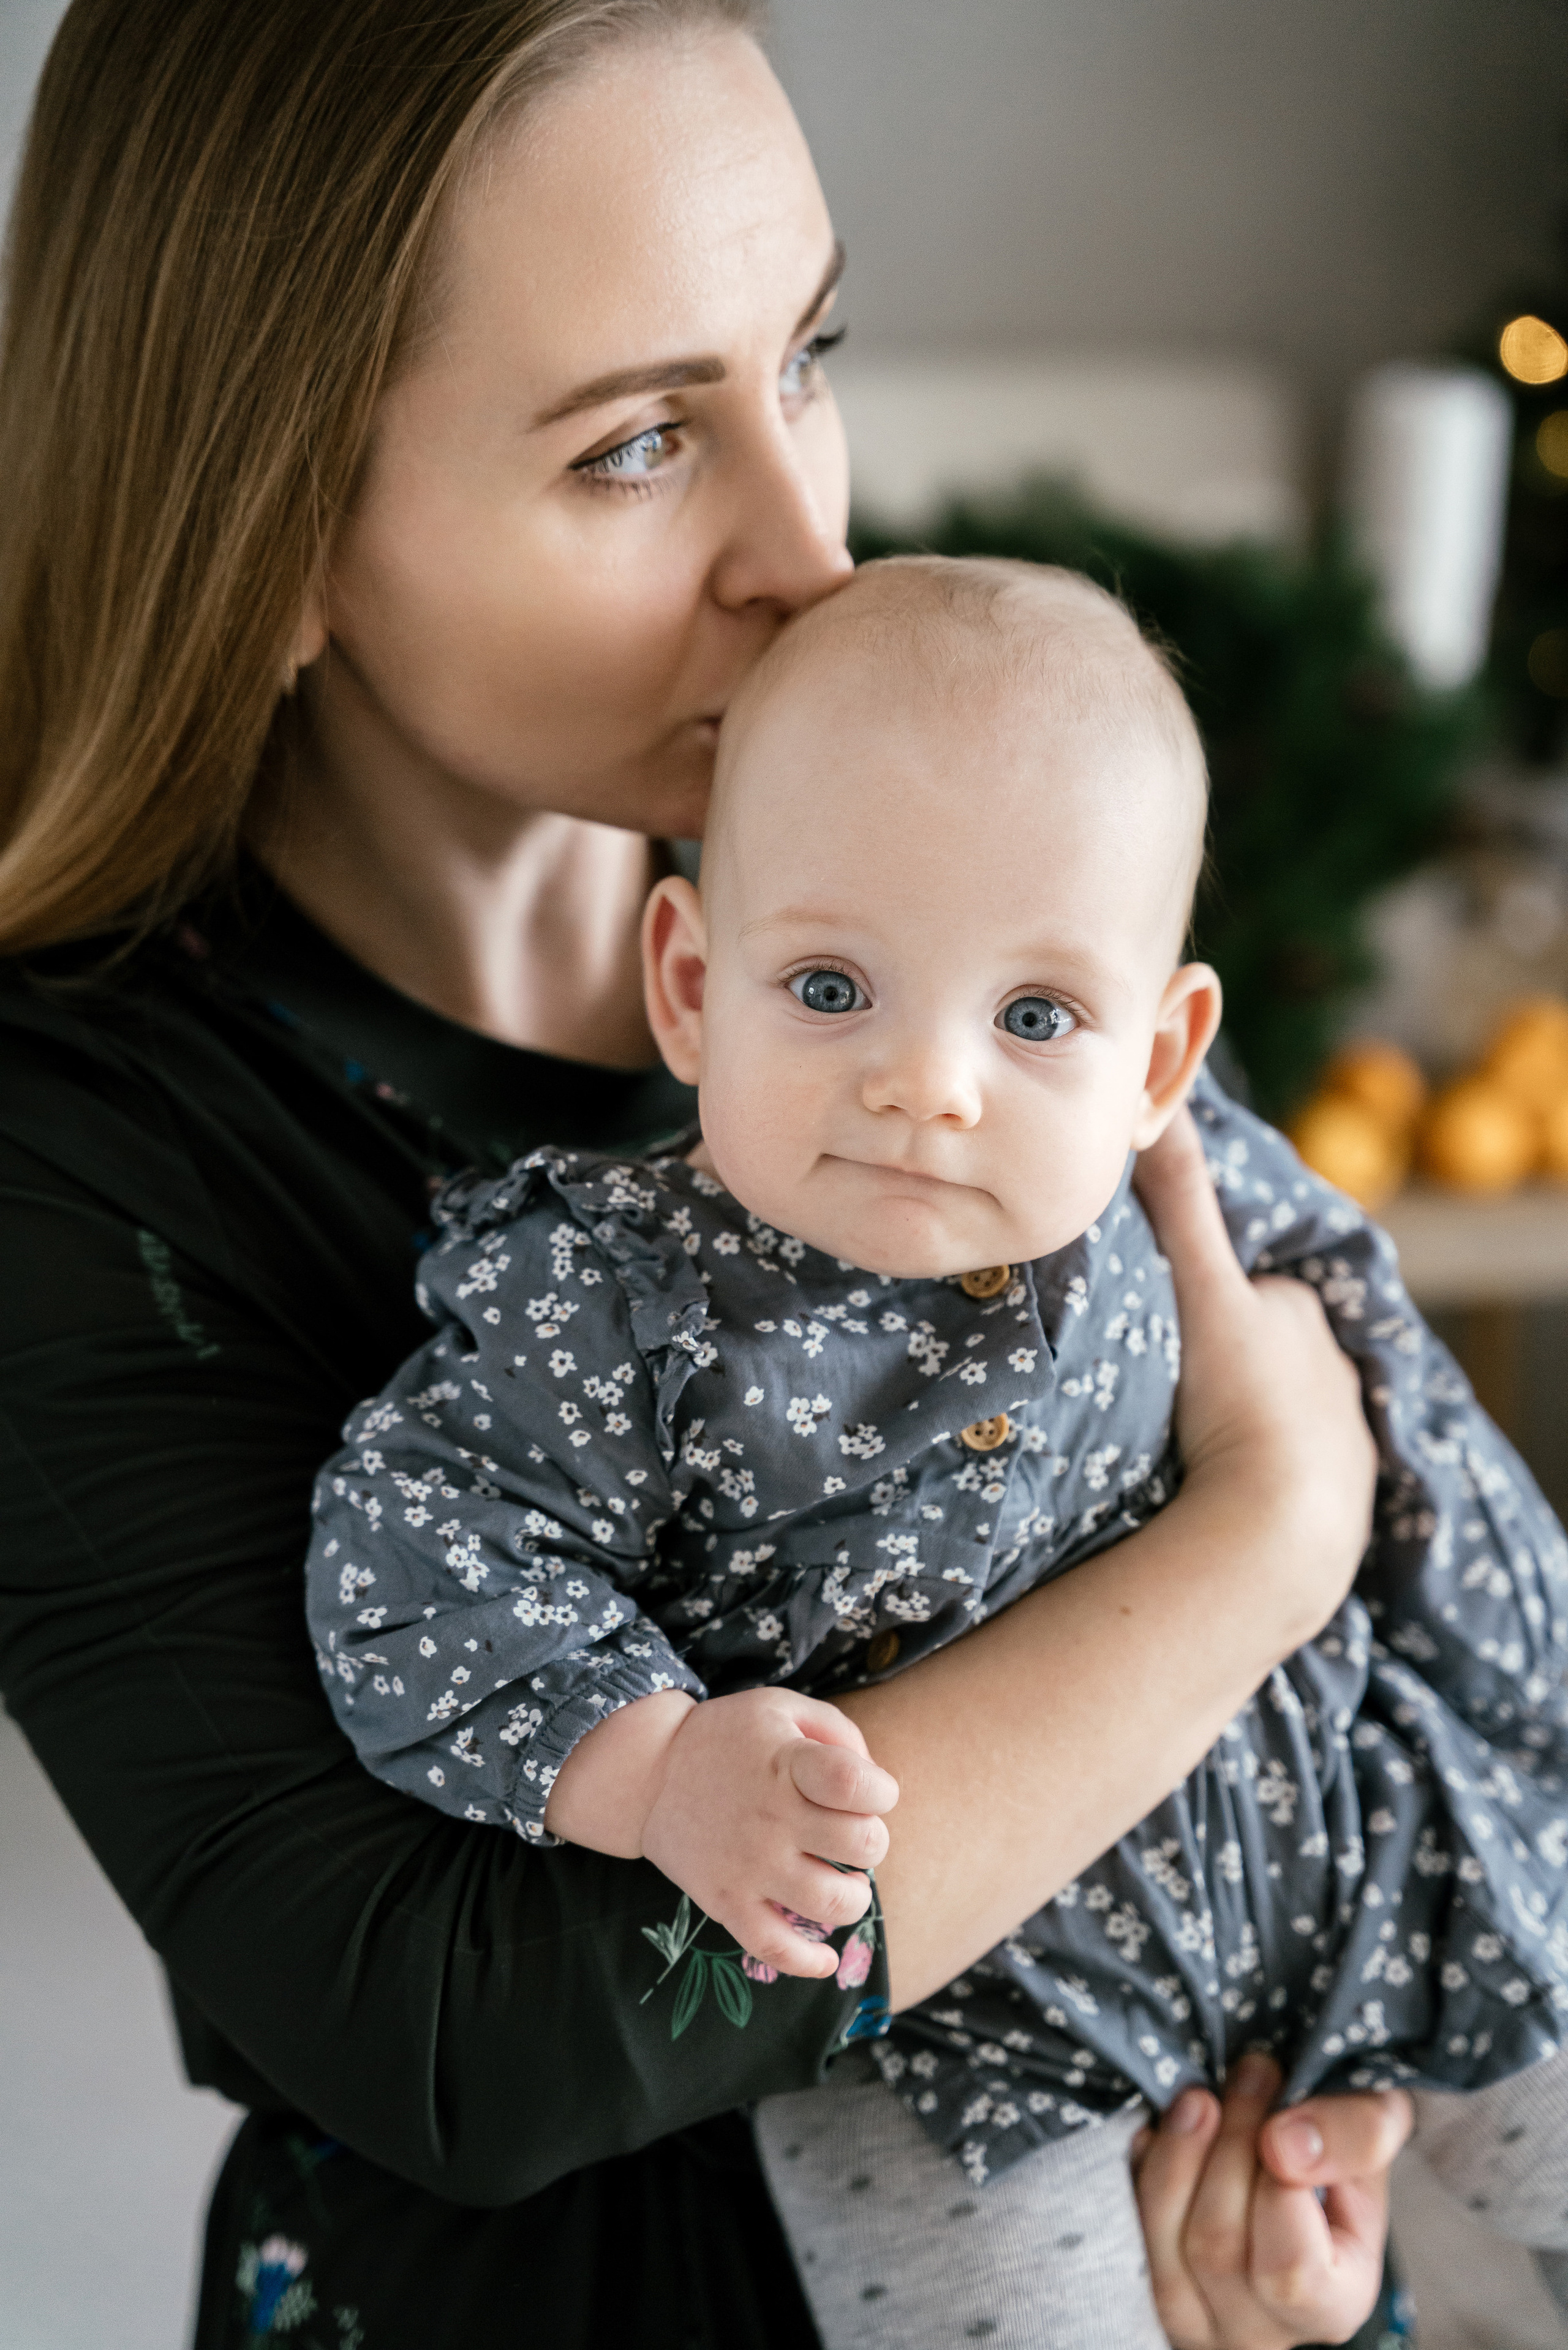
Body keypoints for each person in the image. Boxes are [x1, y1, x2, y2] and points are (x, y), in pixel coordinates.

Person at [0, 2, 1414, 2343]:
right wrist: (1267, 1550)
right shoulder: (77, 1153)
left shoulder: (926, 859)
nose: (814, 542)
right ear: (270, 525)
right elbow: (472, 2036)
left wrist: (1275, 2168)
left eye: (809, 355)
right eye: (643, 441)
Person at [304, 557, 1568, 2347]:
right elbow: (412, 1561)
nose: (930, 1083)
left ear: (1160, 1053)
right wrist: (653, 1767)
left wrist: (1539, 1713)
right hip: (952, 2038)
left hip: (1344, 1834)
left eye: (1036, 1018)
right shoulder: (615, 1297)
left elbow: (1413, 1432)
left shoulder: (1190, 1175)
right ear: (687, 981)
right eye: (830, 987)